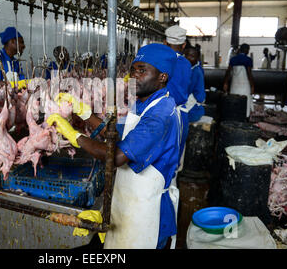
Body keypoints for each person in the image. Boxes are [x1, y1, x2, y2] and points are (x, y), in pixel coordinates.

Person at [48, 43, 181, 249]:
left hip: (148, 214)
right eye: (133, 69)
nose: (134, 76)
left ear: (162, 77)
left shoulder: (161, 114)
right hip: (129, 204)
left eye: (142, 70)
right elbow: (119, 137)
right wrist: (85, 114)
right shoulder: (145, 103)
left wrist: (75, 136)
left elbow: (117, 155)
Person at [164, 25, 192, 169]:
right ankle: (169, 188)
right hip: (180, 115)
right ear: (184, 45)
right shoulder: (186, 64)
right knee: (173, 160)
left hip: (161, 113)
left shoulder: (158, 62)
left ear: (165, 43)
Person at [223, 43, 255, 117]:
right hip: (245, 85)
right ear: (246, 50)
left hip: (234, 85)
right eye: (248, 50)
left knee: (234, 101)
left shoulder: (233, 59)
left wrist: (225, 83)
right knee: (245, 102)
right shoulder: (248, 60)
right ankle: (245, 117)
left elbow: (228, 72)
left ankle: (233, 116)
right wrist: (252, 86)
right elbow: (249, 74)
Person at [184, 46, 206, 123]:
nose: (188, 58)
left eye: (192, 56)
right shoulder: (191, 69)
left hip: (193, 108)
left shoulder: (196, 72)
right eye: (186, 55)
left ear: (197, 59)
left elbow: (187, 90)